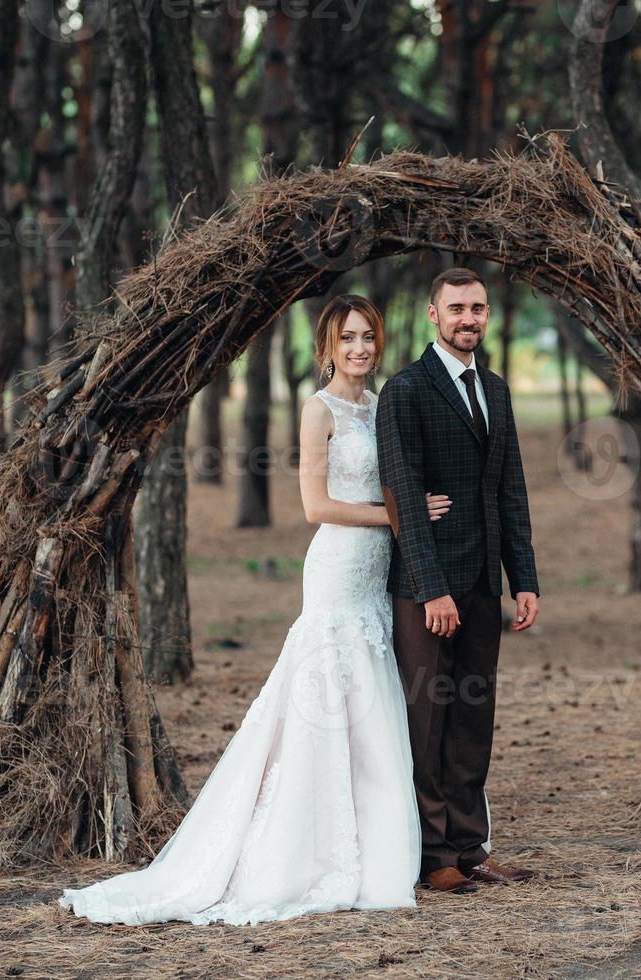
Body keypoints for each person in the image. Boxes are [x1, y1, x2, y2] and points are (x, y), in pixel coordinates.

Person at [58, 294, 448, 925]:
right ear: (327, 348)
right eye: (348, 338)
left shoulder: (380, 408)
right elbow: (315, 508)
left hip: (378, 574)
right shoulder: (318, 411)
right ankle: (298, 851)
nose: (360, 349)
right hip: (339, 566)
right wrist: (400, 520)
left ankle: (375, 852)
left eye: (368, 338)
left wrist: (408, 515)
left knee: (370, 705)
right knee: (323, 699)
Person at [377, 267, 542, 895]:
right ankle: (433, 855)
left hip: (482, 585)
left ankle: (472, 847)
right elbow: (400, 496)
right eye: (456, 309)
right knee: (429, 718)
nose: (468, 318)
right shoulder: (406, 391)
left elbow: (510, 491)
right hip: (427, 588)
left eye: (477, 308)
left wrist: (522, 578)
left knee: (474, 715)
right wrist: (431, 589)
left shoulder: (495, 390)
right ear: (431, 314)